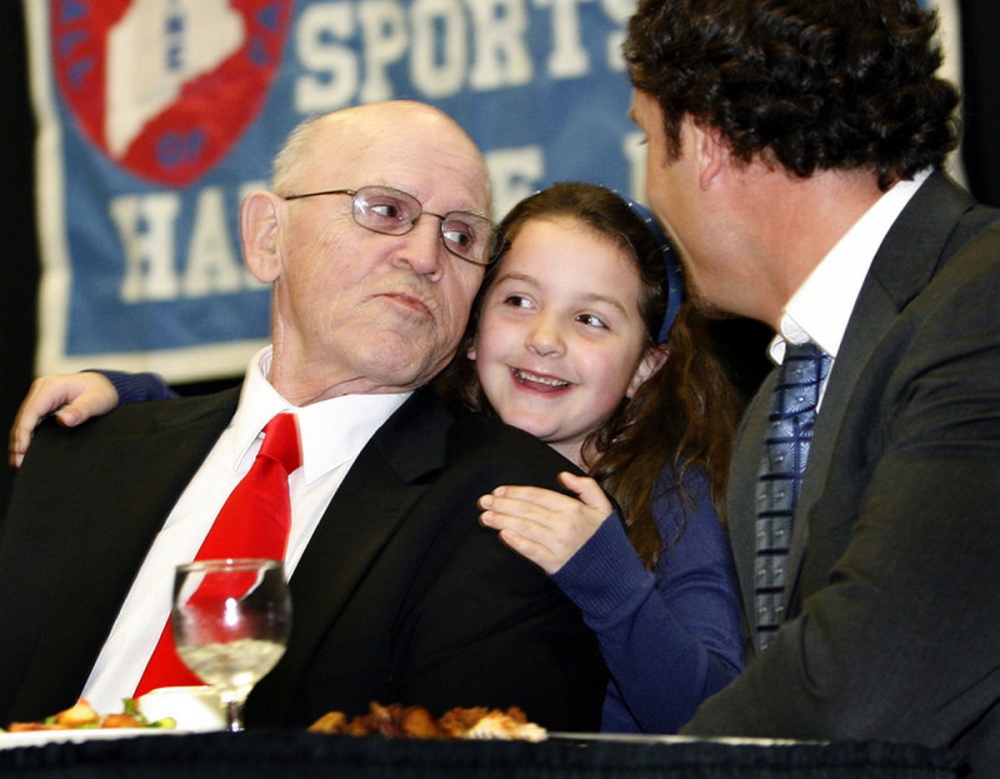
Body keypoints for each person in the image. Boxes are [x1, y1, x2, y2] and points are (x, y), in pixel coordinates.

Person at [9, 183, 746, 734]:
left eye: (591, 318)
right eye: (518, 301)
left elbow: (718, 715)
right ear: (467, 324)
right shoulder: (438, 439)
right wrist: (139, 399)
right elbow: (300, 422)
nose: (545, 338)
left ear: (648, 366)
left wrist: (610, 579)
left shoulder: (671, 492)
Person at [622, 0, 1000, 774]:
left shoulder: (984, 303)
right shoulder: (774, 406)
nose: (647, 189)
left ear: (708, 143)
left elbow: (865, 680)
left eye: (644, 141)